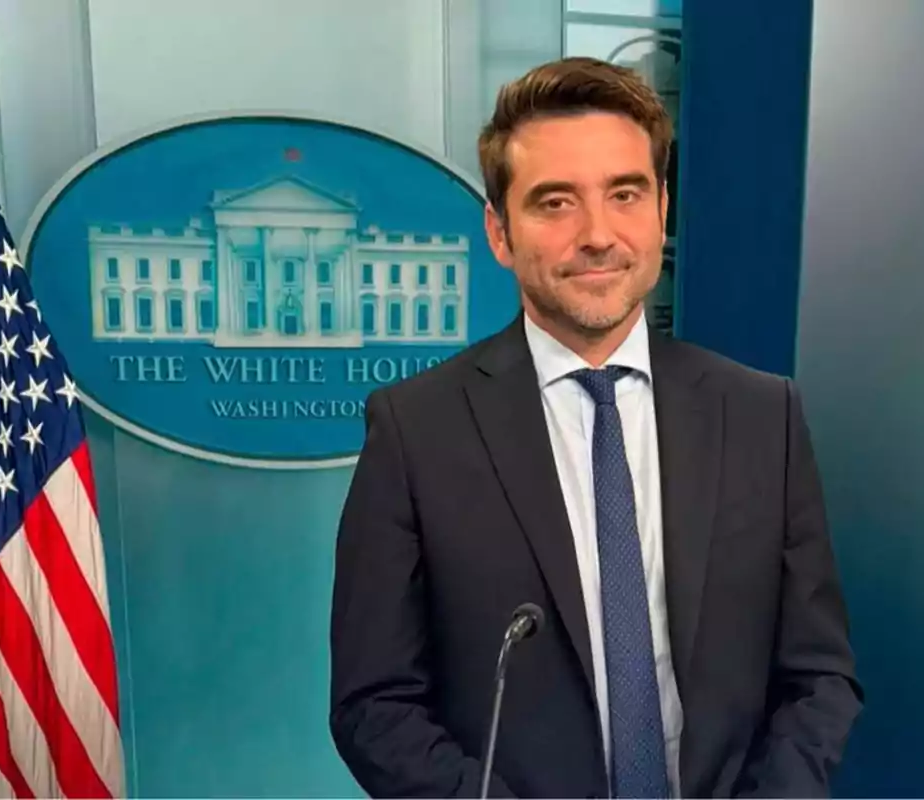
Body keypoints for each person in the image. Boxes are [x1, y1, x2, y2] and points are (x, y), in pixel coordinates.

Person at [328, 56, 862, 799]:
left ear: (662, 209)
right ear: (499, 232)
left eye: (625, 194)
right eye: (555, 203)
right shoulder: (415, 431)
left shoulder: (761, 415)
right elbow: (374, 705)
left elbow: (819, 678)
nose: (598, 234)